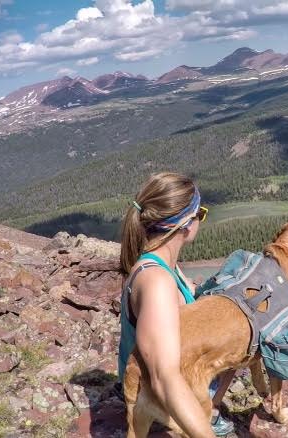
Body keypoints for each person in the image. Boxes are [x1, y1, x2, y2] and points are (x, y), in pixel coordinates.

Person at [116, 172, 234, 437]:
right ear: (185, 224)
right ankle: (204, 415)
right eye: (200, 214)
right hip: (153, 394)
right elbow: (164, 378)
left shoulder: (162, 264)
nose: (201, 219)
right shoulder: (157, 282)